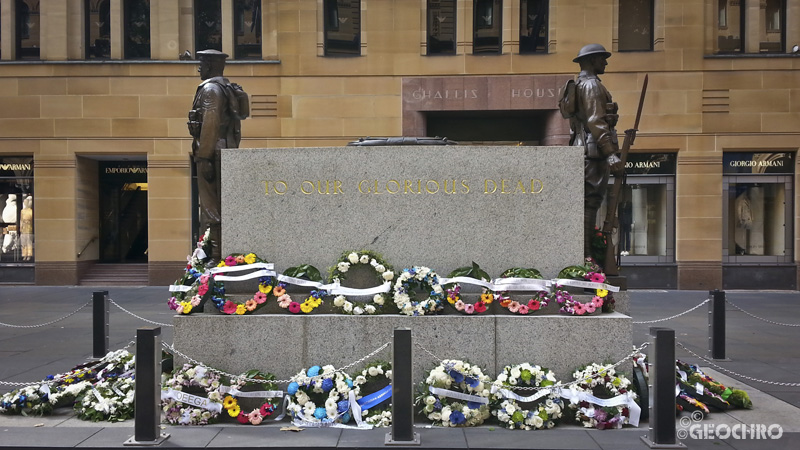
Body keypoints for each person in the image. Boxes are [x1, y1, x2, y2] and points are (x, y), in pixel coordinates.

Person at [562, 43, 624, 258]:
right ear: (590, 61)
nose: (605, 62)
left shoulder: (583, 84)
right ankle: (585, 260)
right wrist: (610, 153)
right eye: (601, 58)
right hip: (592, 151)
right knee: (590, 203)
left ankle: (585, 259)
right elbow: (595, 121)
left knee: (588, 204)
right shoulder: (591, 86)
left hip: (586, 149)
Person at [188, 49, 248, 262]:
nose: (198, 67)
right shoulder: (225, 88)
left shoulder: (211, 89)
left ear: (211, 65)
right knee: (217, 204)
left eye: (202, 63)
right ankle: (217, 252)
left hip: (212, 151)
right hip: (222, 149)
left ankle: (216, 255)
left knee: (211, 206)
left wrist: (204, 157)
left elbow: (210, 124)